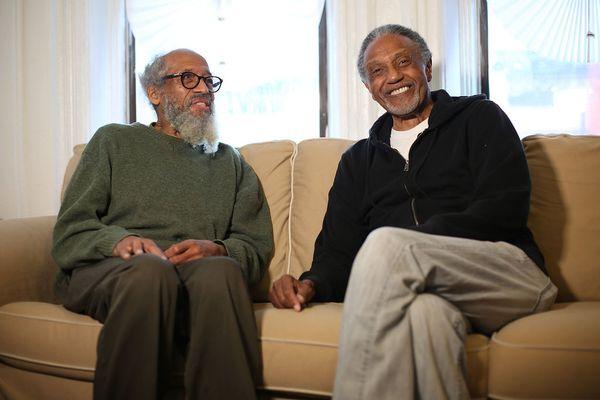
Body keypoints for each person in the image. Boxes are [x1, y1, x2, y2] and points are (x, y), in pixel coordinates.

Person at [269, 24, 557, 399]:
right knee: (426, 317)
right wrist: (311, 283)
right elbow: (337, 252)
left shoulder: (478, 116)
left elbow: (505, 208)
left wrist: (413, 243)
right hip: (429, 290)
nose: (393, 77)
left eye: (403, 62)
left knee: (389, 245)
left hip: (508, 276)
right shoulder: (358, 161)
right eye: (377, 71)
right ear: (368, 88)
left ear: (427, 67)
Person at [52, 49, 273, 400]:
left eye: (208, 81)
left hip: (191, 274)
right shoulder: (113, 141)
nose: (203, 89)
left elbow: (254, 245)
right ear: (154, 93)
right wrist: (117, 241)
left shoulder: (229, 161)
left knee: (221, 272)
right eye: (189, 78)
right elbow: (70, 229)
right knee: (149, 273)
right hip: (116, 269)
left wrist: (218, 248)